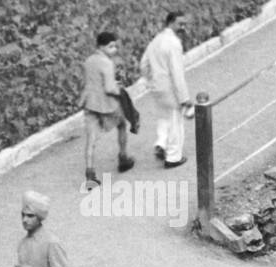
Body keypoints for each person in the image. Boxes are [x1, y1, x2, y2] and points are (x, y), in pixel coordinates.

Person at [79, 30, 135, 187]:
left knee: (91, 140)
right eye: (111, 46)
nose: (114, 50)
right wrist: (120, 90)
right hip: (107, 104)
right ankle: (123, 157)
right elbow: (109, 88)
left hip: (90, 103)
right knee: (122, 124)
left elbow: (90, 82)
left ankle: (90, 174)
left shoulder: (88, 61)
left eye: (115, 46)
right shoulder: (107, 63)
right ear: (101, 47)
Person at [139, 10, 192, 168]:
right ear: (171, 23)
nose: (183, 27)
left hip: (157, 86)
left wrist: (150, 80)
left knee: (164, 116)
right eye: (180, 24)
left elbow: (143, 64)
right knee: (176, 121)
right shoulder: (174, 44)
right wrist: (184, 98)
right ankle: (173, 157)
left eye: (184, 24)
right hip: (169, 87)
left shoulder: (156, 40)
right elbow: (177, 73)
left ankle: (161, 143)